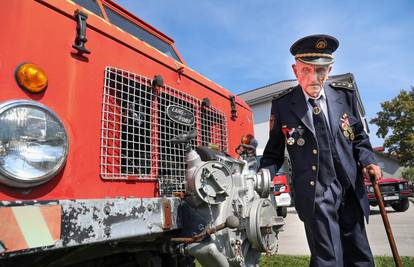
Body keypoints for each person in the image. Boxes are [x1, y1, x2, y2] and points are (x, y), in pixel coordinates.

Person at [260, 34, 381, 267]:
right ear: (295, 70)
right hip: (316, 193)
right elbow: (273, 153)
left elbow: (359, 138)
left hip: (349, 189)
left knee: (361, 256)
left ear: (330, 69)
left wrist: (368, 161)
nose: (313, 77)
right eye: (306, 70)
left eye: (320, 70)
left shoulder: (344, 96)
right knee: (328, 259)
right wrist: (261, 177)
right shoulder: (284, 104)